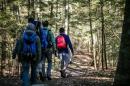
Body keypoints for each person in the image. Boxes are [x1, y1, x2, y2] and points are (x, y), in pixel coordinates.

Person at [13, 17, 41, 86]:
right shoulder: (37, 37)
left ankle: (26, 84)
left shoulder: (22, 37)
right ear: (34, 29)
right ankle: (33, 83)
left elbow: (18, 48)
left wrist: (17, 56)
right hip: (34, 56)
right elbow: (39, 50)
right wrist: (38, 58)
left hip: (24, 56)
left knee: (25, 71)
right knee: (33, 70)